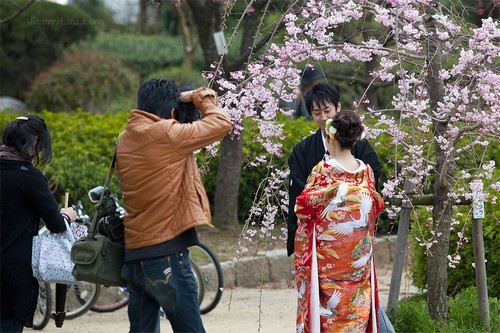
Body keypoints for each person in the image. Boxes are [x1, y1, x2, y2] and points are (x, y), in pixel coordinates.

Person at [115, 78, 231, 333]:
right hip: (165, 253)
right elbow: (221, 123)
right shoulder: (166, 133)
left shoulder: (125, 137)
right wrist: (201, 97)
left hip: (135, 257)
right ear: (170, 112)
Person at [294, 110, 384, 332]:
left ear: (331, 137)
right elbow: (375, 208)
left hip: (328, 266)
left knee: (328, 320)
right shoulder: (367, 173)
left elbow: (302, 209)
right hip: (358, 263)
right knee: (356, 316)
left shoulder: (323, 171)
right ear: (355, 140)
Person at [0, 115, 76, 332]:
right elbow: (56, 225)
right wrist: (67, 215)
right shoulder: (29, 177)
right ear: (32, 142)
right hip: (11, 275)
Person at [287, 83, 381, 257]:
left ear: (338, 107)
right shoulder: (302, 150)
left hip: (353, 232)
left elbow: (374, 185)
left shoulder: (358, 145)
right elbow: (298, 192)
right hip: (318, 234)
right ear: (310, 114)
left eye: (327, 110)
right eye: (316, 113)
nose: (323, 117)